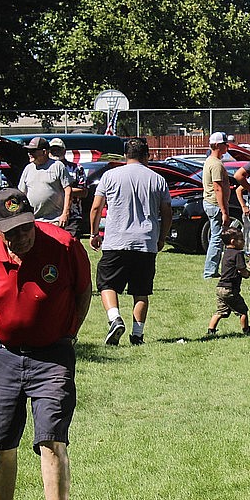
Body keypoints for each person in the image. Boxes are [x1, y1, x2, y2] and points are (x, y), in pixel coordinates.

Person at [0, 188, 91, 500]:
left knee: (52, 439)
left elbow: (84, 291)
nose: (23, 237)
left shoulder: (64, 245)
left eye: (27, 227)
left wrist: (69, 333)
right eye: (13, 232)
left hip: (52, 357)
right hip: (2, 356)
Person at [89, 137, 171, 346]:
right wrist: (162, 238)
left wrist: (93, 233)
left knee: (107, 284)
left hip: (116, 240)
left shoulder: (109, 176)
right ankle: (137, 334)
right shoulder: (157, 179)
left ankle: (115, 318)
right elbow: (167, 212)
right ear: (147, 155)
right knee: (141, 290)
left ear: (125, 155)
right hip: (145, 241)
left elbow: (96, 208)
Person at [204, 228, 250, 338]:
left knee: (221, 312)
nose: (243, 241)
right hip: (230, 289)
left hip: (220, 288)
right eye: (241, 239)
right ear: (233, 241)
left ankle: (210, 330)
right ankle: (246, 330)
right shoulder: (238, 254)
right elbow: (241, 269)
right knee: (243, 311)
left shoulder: (226, 253)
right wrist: (247, 274)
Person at [18, 137, 71, 229]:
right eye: (28, 151)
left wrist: (65, 213)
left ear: (44, 152)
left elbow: (68, 190)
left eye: (33, 151)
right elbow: (21, 194)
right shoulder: (28, 168)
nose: (29, 153)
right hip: (34, 221)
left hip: (54, 220)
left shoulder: (57, 166)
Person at [202, 132, 232, 279]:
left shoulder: (211, 161)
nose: (227, 146)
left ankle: (211, 270)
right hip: (215, 204)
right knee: (217, 238)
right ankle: (210, 271)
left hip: (210, 203)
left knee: (216, 237)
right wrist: (224, 211)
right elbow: (218, 188)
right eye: (225, 144)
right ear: (218, 146)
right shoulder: (216, 164)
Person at [48, 138, 88, 236]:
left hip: (72, 216)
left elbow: (84, 192)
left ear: (64, 151)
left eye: (58, 149)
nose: (55, 152)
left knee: (71, 246)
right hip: (50, 216)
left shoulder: (76, 168)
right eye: (53, 149)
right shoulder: (45, 169)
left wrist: (64, 190)